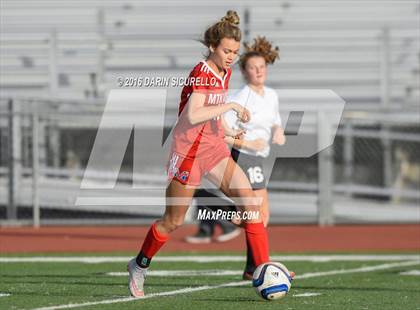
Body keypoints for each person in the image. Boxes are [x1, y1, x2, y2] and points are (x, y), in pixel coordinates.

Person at [127, 11, 274, 298]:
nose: (231, 56)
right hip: (188, 153)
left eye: (234, 51)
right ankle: (139, 265)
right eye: (226, 50)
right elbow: (194, 114)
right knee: (173, 221)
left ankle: (263, 269)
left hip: (213, 147)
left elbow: (211, 115)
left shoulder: (225, 70)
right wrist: (230, 108)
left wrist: (228, 133)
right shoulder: (201, 71)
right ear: (212, 47)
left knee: (250, 202)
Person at [185, 36, 287, 280]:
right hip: (243, 156)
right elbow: (222, 134)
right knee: (258, 215)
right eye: (252, 67)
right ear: (244, 71)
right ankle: (258, 267)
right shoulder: (241, 97)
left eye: (262, 67)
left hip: (258, 158)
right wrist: (248, 142)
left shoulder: (271, 95)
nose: (258, 71)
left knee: (257, 216)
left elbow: (274, 119)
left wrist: (278, 130)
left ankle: (251, 264)